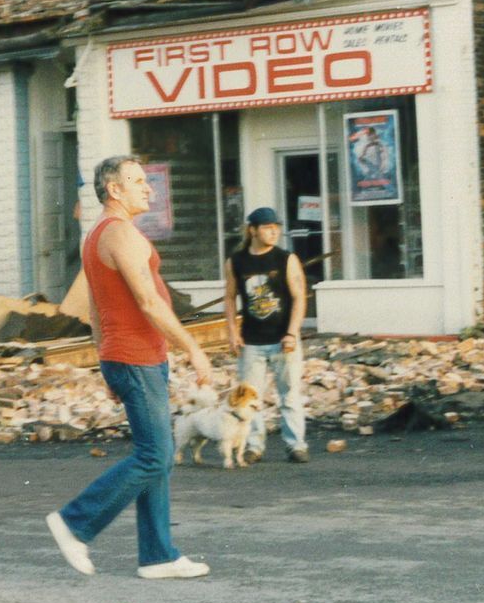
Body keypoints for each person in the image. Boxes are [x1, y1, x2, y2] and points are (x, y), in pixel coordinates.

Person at [46, 155, 213, 579]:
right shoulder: (119, 233)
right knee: (156, 455)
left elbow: (98, 311)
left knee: (157, 455)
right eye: (138, 182)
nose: (149, 189)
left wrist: (105, 362)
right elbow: (149, 302)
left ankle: (158, 556)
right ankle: (75, 523)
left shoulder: (100, 235)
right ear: (114, 189)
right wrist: (192, 347)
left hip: (133, 357)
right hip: (136, 358)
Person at [224, 206, 309, 464]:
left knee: (290, 394)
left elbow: (299, 298)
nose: (274, 231)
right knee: (250, 396)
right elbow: (229, 297)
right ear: (253, 230)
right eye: (267, 227)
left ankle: (296, 445)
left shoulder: (286, 259)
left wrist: (292, 333)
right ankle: (253, 446)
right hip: (251, 340)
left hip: (283, 340)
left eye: (276, 227)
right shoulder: (236, 261)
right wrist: (232, 331)